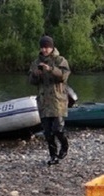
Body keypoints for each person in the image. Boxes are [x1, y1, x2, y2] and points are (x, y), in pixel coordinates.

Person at [28, 35, 71, 166]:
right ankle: (53, 156)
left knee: (58, 129)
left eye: (47, 47)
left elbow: (64, 76)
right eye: (42, 47)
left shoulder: (60, 60)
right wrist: (35, 75)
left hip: (57, 100)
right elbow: (31, 81)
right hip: (43, 101)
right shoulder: (36, 62)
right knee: (47, 132)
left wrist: (50, 69)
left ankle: (64, 145)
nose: (45, 50)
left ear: (52, 47)